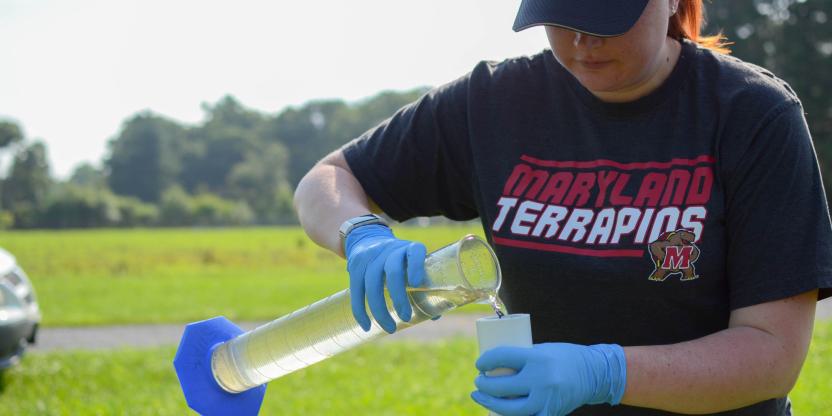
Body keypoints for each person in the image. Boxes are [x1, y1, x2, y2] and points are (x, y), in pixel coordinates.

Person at [293, 0, 832, 414]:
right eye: (561, 16)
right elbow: (328, 179)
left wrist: (605, 371)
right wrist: (361, 233)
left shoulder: (752, 115)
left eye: (604, 17)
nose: (580, 40)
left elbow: (771, 355)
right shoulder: (494, 103)